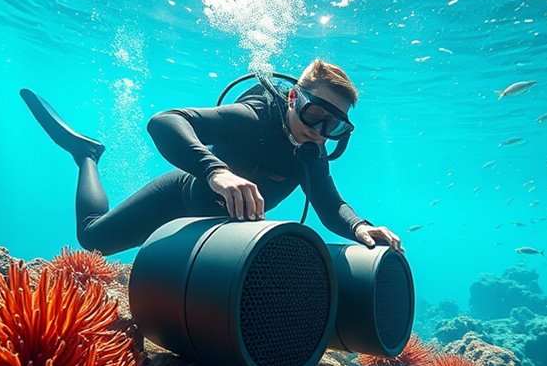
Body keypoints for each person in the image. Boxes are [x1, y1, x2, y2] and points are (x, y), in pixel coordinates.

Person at [21, 59, 402, 256]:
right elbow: (164, 122)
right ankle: (87, 154)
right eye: (314, 113)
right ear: (293, 98)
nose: (319, 131)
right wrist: (216, 172)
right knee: (92, 240)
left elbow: (330, 204)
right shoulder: (252, 118)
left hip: (219, 233)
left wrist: (360, 228)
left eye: (334, 126)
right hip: (179, 198)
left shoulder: (311, 153)